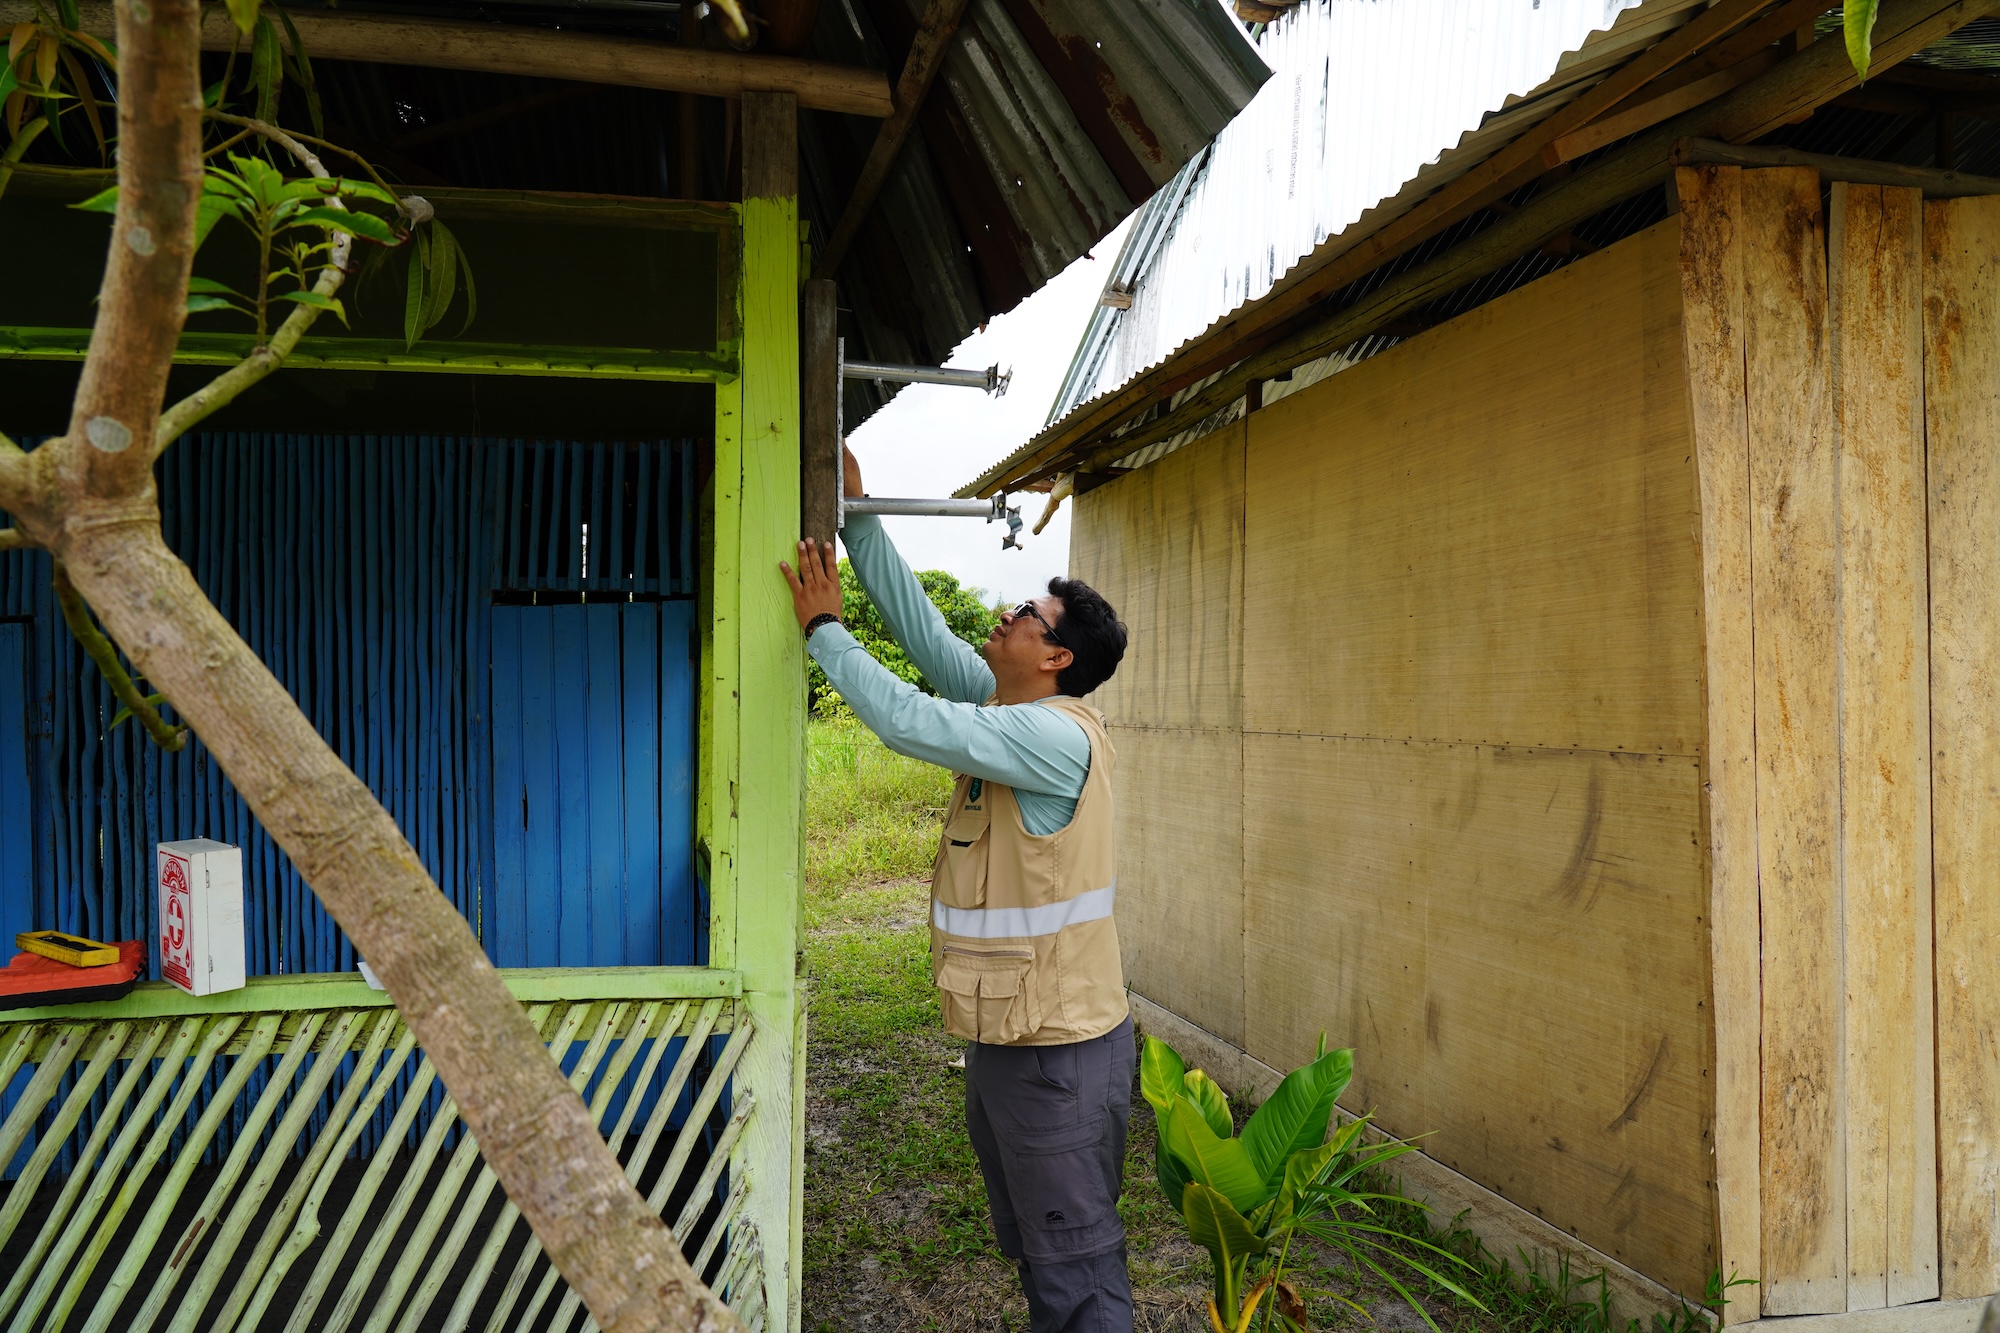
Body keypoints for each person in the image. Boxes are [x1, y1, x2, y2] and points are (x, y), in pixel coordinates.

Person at [780, 446, 1134, 1333]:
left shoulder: (1054, 739)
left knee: (1077, 1264)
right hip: (1016, 1034)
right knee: (1042, 1247)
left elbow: (908, 718)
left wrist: (826, 629)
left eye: (1026, 612)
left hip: (1057, 1049)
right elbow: (928, 642)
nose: (1007, 615)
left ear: (1054, 655)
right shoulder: (1015, 713)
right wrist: (859, 519)